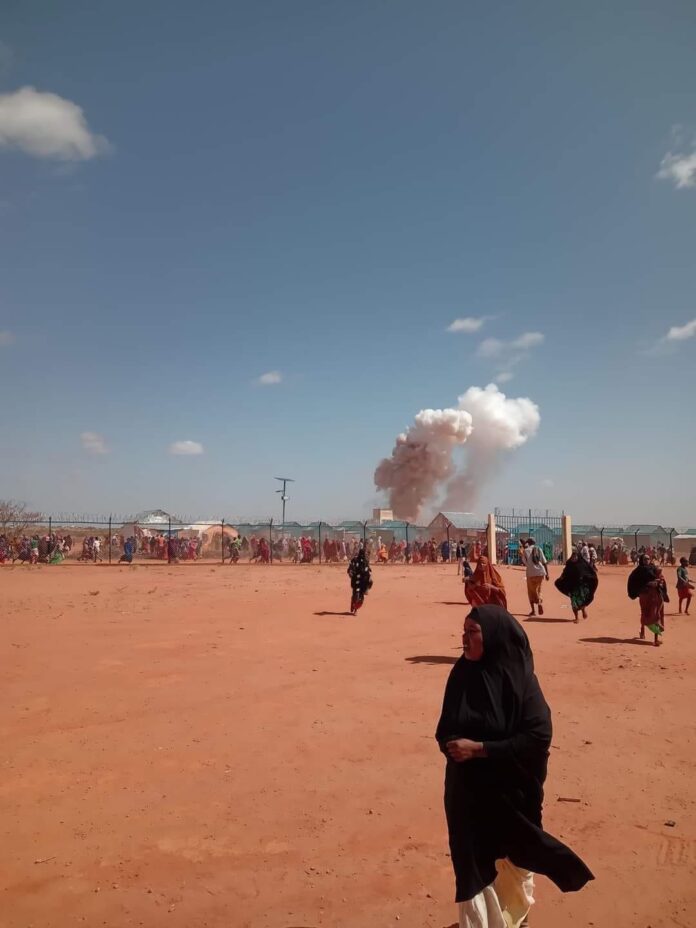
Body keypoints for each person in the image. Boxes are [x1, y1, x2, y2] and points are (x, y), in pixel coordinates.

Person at [436, 605, 593, 927]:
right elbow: (445, 727)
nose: (464, 639)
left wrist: (480, 750)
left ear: (493, 638)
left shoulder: (521, 679)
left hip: (513, 794)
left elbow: (538, 736)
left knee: (514, 858)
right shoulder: (462, 673)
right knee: (471, 864)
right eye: (463, 632)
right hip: (467, 794)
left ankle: (513, 916)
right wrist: (451, 745)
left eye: (472, 633)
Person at [628, 555, 668, 646]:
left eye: (648, 558)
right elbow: (634, 582)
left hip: (655, 595)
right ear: (641, 560)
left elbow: (661, 578)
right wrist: (648, 584)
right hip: (644, 595)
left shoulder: (654, 568)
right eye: (645, 559)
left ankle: (655, 639)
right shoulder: (638, 571)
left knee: (656, 615)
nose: (647, 560)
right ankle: (642, 630)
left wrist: (660, 582)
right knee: (645, 613)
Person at [555, 551, 598, 623]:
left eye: (575, 556)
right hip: (572, 587)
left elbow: (589, 572)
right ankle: (576, 617)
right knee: (574, 602)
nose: (574, 558)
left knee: (584, 600)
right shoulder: (569, 564)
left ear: (578, 557)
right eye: (573, 557)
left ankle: (583, 609)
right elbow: (564, 573)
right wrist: (560, 579)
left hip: (582, 587)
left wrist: (586, 577)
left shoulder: (582, 564)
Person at [521, 538, 549, 617]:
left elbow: (525, 562)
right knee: (539, 589)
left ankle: (533, 611)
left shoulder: (525, 551)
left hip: (530, 573)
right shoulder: (539, 549)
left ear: (528, 543)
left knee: (531, 592)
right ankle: (539, 602)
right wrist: (547, 574)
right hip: (540, 572)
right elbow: (544, 562)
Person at [347, 546, 372, 615]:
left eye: (363, 554)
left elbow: (369, 570)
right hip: (355, 579)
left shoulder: (366, 561)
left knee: (370, 581)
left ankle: (366, 590)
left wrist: (369, 575)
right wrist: (350, 572)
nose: (361, 555)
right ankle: (355, 607)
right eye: (361, 554)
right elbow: (350, 567)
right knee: (355, 592)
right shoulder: (355, 560)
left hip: (363, 580)